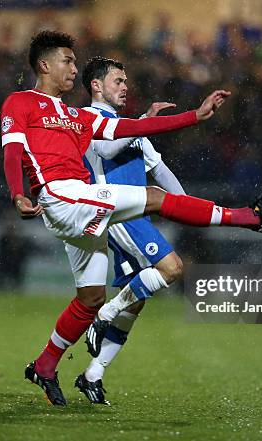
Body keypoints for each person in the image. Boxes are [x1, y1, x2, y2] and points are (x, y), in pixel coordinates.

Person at [1, 30, 262, 406]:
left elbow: (131, 128)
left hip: (79, 205)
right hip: (61, 195)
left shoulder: (74, 116)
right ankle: (250, 216)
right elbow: (12, 152)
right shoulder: (20, 103)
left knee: (90, 299)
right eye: (67, 61)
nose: (73, 68)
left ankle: (46, 365)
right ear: (44, 64)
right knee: (154, 199)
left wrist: (194, 117)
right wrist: (17, 193)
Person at [74, 56, 188, 405]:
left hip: (137, 215)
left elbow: (160, 170)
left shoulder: (131, 127)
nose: (125, 87)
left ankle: (93, 374)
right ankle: (103, 315)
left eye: (126, 82)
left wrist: (188, 207)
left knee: (135, 303)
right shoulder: (89, 118)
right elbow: (106, 147)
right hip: (119, 215)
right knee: (172, 269)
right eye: (118, 81)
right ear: (97, 85)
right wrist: (142, 123)